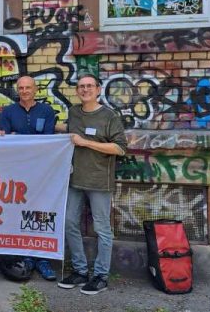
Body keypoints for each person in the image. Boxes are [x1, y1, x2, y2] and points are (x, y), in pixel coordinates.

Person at [57, 73, 127, 295]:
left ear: (98, 89)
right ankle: (79, 271)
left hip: (99, 181)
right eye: (81, 87)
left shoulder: (109, 116)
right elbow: (67, 131)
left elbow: (120, 148)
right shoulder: (74, 112)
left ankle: (100, 276)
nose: (85, 89)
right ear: (77, 91)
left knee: (102, 229)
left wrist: (86, 142)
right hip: (75, 179)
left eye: (89, 86)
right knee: (69, 223)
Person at [0, 75, 57, 281]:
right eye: (21, 88)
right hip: (16, 173)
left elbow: (48, 138)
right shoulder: (8, 111)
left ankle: (42, 259)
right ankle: (25, 256)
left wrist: (19, 137)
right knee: (20, 213)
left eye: (28, 88)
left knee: (41, 213)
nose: (24, 91)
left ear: (36, 89)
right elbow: (5, 140)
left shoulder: (47, 111)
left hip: (42, 171)